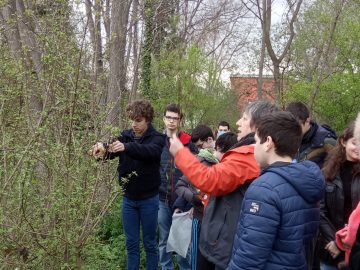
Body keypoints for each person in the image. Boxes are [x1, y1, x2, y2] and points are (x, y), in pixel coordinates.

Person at [169, 100, 279, 270]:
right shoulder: (255, 153)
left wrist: (180, 153)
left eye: (244, 118)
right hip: (229, 240)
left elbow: (211, 180)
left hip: (227, 244)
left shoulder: (248, 154)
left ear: (257, 125)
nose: (238, 123)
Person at [226, 111, 325, 270]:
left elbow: (250, 256)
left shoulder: (264, 189)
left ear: (268, 142)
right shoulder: (307, 180)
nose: (254, 147)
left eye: (257, 141)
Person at [89, 100, 165, 270]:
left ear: (148, 120)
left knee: (150, 244)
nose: (134, 124)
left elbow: (149, 152)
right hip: (128, 200)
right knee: (131, 245)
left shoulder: (158, 138)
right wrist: (101, 149)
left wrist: (126, 147)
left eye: (138, 120)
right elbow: (110, 150)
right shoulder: (125, 135)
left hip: (149, 201)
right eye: (132, 120)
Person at [174, 130, 238, 270]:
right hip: (201, 219)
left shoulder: (232, 169)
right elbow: (180, 185)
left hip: (220, 226)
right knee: (199, 261)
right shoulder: (201, 161)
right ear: (217, 148)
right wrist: (195, 198)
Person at [159, 103, 197, 270]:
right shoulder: (158, 142)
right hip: (161, 198)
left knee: (182, 241)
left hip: (182, 200)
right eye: (169, 117)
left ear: (180, 120)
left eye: (175, 118)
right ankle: (166, 268)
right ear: (164, 119)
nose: (171, 121)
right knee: (163, 238)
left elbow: (195, 175)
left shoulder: (189, 144)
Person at [319, 121, 360, 270]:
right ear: (343, 142)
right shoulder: (328, 172)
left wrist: (343, 243)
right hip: (331, 250)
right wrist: (335, 241)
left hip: (356, 249)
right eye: (355, 143)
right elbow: (320, 211)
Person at [285, 101, 337, 168]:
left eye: (296, 126)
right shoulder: (287, 139)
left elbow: (339, 169)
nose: (292, 130)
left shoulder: (326, 141)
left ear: (307, 121)